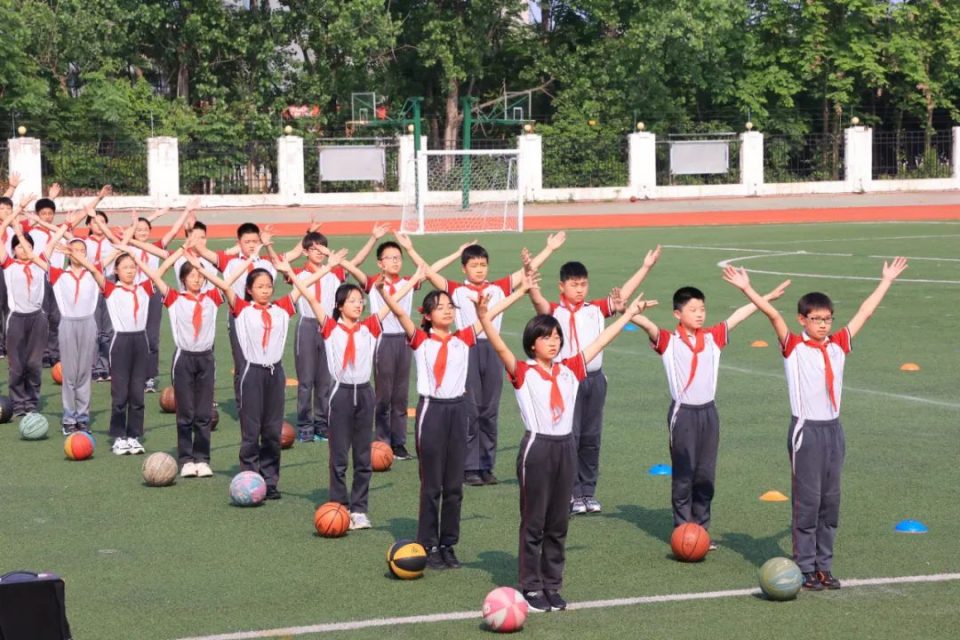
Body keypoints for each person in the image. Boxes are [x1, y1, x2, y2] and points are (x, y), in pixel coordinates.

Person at [722, 257, 908, 591]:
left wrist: (886, 281)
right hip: (806, 431)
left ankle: (824, 565)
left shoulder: (839, 345)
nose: (823, 325)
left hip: (834, 431)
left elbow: (865, 312)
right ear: (802, 320)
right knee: (807, 502)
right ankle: (806, 567)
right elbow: (773, 315)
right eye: (816, 319)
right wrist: (748, 288)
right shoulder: (794, 346)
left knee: (830, 503)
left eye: (827, 319)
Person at [477, 283, 654, 613]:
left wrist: (628, 314)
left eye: (557, 336)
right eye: (546, 337)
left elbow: (601, 341)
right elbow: (499, 346)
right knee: (534, 521)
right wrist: (484, 318)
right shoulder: (523, 371)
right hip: (537, 448)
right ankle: (531, 586)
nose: (554, 341)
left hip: (565, 448)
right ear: (532, 344)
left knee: (558, 521)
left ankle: (552, 584)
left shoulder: (570, 369)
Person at [374, 263, 539, 570]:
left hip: (458, 411)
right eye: (440, 307)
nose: (448, 310)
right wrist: (384, 293)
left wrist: (521, 291)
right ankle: (428, 544)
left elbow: (490, 314)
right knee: (431, 485)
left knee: (453, 486)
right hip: (432, 412)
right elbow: (399, 313)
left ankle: (448, 544)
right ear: (427, 315)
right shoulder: (420, 340)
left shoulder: (463, 338)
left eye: (450, 306)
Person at [630, 279, 789, 540]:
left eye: (702, 309)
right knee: (684, 474)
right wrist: (629, 312)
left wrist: (766, 298)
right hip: (683, 414)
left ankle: (701, 532)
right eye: (693, 310)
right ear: (677, 314)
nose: (699, 314)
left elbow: (737, 316)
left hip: (709, 413)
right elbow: (648, 325)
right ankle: (683, 530)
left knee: (705, 475)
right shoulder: (669, 341)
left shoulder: (713, 337)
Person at [407, 232, 568, 486]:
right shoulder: (456, 290)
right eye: (474, 265)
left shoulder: (498, 288)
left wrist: (549, 249)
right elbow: (426, 271)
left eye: (483, 265)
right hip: (466, 350)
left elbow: (525, 273)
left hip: (493, 350)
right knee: (470, 409)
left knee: (489, 410)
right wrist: (410, 249)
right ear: (464, 268)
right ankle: (469, 466)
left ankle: (486, 464)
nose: (479, 269)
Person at [185, 245, 340, 499]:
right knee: (251, 430)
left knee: (272, 430)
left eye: (268, 286)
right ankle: (249, 478)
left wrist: (327, 268)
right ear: (249, 290)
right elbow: (224, 286)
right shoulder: (242, 309)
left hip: (275, 374)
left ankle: (270, 481)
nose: (266, 290)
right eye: (260, 286)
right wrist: (201, 270)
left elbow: (302, 287)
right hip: (252, 374)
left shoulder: (282, 308)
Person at [525, 245, 662, 514]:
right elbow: (537, 299)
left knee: (591, 438)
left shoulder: (596, 309)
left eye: (583, 284)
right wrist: (530, 275)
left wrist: (646, 267)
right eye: (574, 285)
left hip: (595, 381)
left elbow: (622, 297)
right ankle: (571, 493)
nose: (580, 290)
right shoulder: (553, 311)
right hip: (567, 382)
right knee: (571, 437)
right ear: (561, 286)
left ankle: (588, 492)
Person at [302, 267, 423, 530]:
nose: (359, 305)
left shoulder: (369, 327)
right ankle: (339, 504)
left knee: (363, 456)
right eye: (352, 301)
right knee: (339, 456)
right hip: (341, 395)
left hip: (365, 394)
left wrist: (409, 280)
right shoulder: (330, 328)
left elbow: (392, 305)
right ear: (340, 305)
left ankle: (359, 509)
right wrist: (289, 270)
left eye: (360, 301)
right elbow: (310, 298)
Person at [342, 231, 470, 460]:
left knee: (400, 395)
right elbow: (352, 268)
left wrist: (457, 253)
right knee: (384, 395)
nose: (395, 261)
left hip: (405, 340)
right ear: (380, 263)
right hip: (383, 341)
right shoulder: (374, 283)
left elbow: (431, 269)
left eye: (398, 258)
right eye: (390, 258)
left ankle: (399, 442)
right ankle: (382, 440)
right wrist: (347, 255)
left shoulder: (408, 282)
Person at [132, 243, 224, 478]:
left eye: (199, 275)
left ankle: (202, 459)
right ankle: (186, 459)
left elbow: (228, 280)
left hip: (206, 359)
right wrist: (178, 254)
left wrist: (202, 267)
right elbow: (155, 276)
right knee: (185, 412)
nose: (197, 279)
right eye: (192, 275)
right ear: (183, 279)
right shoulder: (174, 298)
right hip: (184, 359)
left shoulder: (212, 297)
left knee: (204, 412)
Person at [289, 230, 346, 443]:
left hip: (329, 326)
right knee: (306, 380)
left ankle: (322, 423)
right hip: (307, 325)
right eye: (314, 249)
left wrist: (332, 259)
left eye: (322, 248)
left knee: (325, 380)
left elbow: (354, 264)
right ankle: (305, 425)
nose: (319, 252)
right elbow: (284, 265)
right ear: (305, 252)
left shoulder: (335, 273)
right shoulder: (299, 274)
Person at [46, 230, 102, 435]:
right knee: (69, 373)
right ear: (68, 253)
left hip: (88, 323)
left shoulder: (93, 273)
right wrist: (64, 229)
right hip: (68, 324)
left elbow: (97, 267)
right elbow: (45, 253)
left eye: (82, 250)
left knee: (84, 373)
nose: (78, 253)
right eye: (74, 250)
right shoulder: (59, 275)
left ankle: (83, 417)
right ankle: (69, 418)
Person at [0, 196, 51, 416]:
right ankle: (18, 403)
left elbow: (56, 237)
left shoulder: (40, 264)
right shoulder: (9, 265)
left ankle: (32, 401)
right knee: (17, 365)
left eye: (28, 246)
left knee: (34, 364)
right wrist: (17, 211)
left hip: (37, 318)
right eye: (19, 246)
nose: (24, 249)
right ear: (13, 251)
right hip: (17, 319)